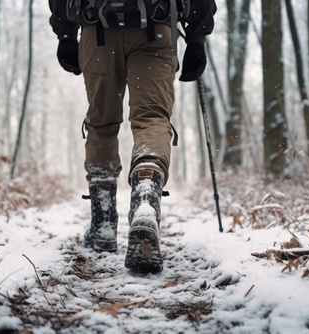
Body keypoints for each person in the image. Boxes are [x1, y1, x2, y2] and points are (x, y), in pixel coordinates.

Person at [48, 0, 216, 273]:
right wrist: (197, 39)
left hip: (97, 31)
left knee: (102, 122)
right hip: (155, 26)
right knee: (152, 118)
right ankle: (146, 201)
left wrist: (65, 33)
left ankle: (103, 222)